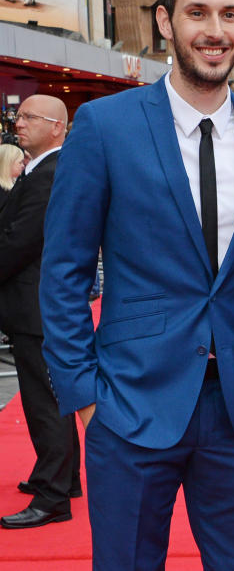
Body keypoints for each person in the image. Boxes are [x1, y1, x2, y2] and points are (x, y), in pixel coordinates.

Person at [40, 0, 234, 569]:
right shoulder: (104, 126)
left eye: (231, 15)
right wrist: (84, 394)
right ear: (165, 21)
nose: (215, 32)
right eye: (198, 13)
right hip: (128, 403)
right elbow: (63, 272)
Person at [0, 95, 80, 530]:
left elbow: (19, 241)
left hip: (37, 307)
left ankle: (53, 496)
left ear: (56, 127)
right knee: (53, 397)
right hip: (36, 305)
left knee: (44, 401)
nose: (18, 122)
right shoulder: (42, 170)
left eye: (29, 116)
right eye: (18, 115)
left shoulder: (51, 173)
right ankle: (63, 480)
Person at [0, 141, 24, 211]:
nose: (23, 165)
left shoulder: (15, 184)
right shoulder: (2, 192)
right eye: (20, 162)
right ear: (8, 163)